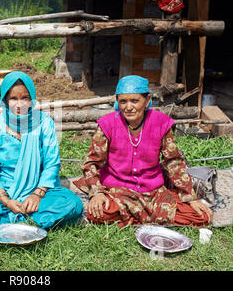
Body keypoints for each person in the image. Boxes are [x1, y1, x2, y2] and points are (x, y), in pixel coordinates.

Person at [73, 75, 213, 227]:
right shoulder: (107, 125)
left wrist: (190, 196)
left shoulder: (160, 123)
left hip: (153, 191)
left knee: (201, 216)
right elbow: (91, 162)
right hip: (118, 191)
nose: (128, 107)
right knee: (98, 213)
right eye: (123, 101)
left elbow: (174, 162)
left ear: (147, 101)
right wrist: (97, 192)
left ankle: (133, 217)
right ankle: (146, 216)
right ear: (117, 102)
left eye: (135, 100)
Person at [0, 71, 83, 230]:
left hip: (40, 192)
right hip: (5, 192)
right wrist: (6, 200)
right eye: (13, 98)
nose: (19, 104)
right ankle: (32, 220)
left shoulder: (44, 123)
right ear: (5, 100)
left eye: (25, 98)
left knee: (73, 205)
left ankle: (10, 220)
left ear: (32, 100)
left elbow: (52, 164)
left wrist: (37, 194)